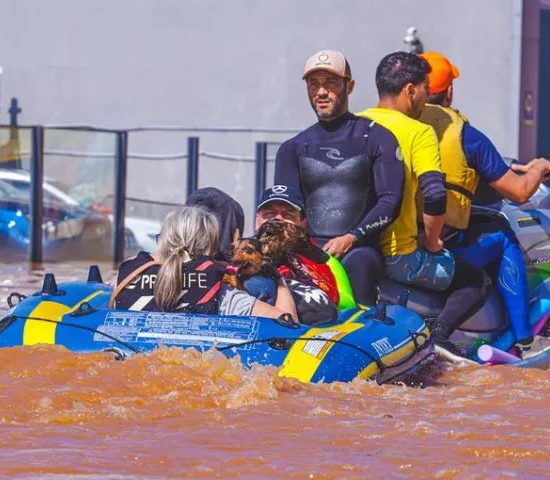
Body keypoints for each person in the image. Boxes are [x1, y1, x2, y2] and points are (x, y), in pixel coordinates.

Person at [417, 51, 550, 348]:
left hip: (396, 242)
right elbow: (519, 192)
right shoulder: (466, 136)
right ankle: (524, 339)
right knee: (503, 236)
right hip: (440, 246)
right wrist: (538, 168)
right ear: (449, 92)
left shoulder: (395, 127)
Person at [274, 49, 405, 305]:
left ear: (350, 86)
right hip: (309, 249)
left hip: (358, 249)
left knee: (362, 263)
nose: (321, 92)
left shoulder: (377, 138)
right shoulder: (293, 148)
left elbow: (390, 200)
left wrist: (351, 237)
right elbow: (284, 210)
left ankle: (359, 336)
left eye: (330, 82)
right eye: (314, 84)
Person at [356, 51, 454, 292]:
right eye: (425, 89)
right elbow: (434, 193)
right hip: (397, 257)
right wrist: (431, 242)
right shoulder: (418, 132)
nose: (428, 96)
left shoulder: (353, 124)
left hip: (353, 249)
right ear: (410, 91)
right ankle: (440, 331)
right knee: (475, 281)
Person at [111, 205, 298, 322]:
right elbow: (288, 322)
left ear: (165, 238)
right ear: (210, 246)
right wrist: (277, 278)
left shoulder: (127, 275)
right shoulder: (219, 290)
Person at [253, 185, 356, 312]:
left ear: (303, 223)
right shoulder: (240, 255)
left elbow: (347, 306)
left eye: (288, 215)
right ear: (257, 220)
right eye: (269, 214)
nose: (278, 219)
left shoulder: (326, 261)